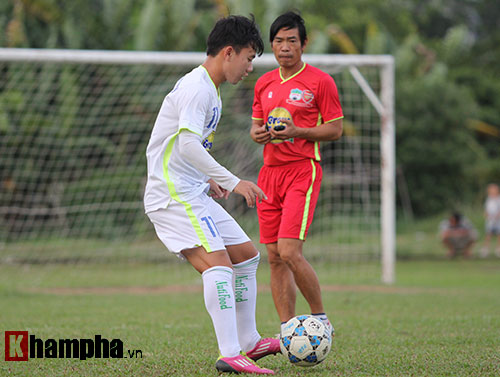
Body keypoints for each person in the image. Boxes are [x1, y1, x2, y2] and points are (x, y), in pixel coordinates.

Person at [144, 15, 279, 375]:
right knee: (219, 266)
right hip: (173, 196)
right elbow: (187, 143)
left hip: (192, 191)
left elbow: (184, 147)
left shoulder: (211, 89)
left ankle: (249, 341)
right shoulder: (197, 88)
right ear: (229, 52)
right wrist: (234, 181)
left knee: (246, 257)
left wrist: (208, 180)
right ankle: (230, 352)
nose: (250, 67)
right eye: (249, 58)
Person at [250, 11, 343, 338]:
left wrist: (298, 130)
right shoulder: (264, 82)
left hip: (302, 171)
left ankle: (321, 320)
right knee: (274, 257)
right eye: (278, 41)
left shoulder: (320, 81)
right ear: (272, 46)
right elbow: (254, 126)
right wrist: (259, 133)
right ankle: (288, 331)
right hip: (269, 175)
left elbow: (335, 129)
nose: (285, 47)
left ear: (304, 44)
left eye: (292, 40)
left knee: (290, 251)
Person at [480, 183, 500, 257]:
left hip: (498, 220)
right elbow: (486, 209)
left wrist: (497, 216)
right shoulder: (489, 199)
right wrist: (486, 214)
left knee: (499, 234)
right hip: (490, 220)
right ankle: (485, 249)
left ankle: (498, 249)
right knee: (488, 234)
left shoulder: (498, 199)